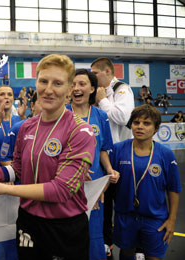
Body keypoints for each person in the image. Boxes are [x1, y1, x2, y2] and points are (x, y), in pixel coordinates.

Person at [0, 54, 96, 260]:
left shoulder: (81, 131)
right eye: (43, 81)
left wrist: (4, 190)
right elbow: (17, 171)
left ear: (68, 91)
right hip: (28, 221)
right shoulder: (27, 127)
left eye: (57, 83)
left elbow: (61, 190)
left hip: (64, 227)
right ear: (36, 84)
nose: (48, 89)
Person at [109, 104, 181, 260]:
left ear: (156, 128)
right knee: (126, 253)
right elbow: (107, 182)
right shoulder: (118, 150)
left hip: (155, 218)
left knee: (154, 257)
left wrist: (172, 220)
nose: (140, 127)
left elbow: (173, 189)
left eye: (146, 123)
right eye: (136, 122)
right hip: (125, 216)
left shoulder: (165, 154)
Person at [67, 69, 119, 260]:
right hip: (67, 184)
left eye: (82, 84)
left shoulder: (100, 116)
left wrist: (108, 170)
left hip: (94, 186)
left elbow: (104, 148)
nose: (76, 88)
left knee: (93, 233)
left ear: (92, 89)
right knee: (68, 233)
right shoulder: (62, 115)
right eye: (73, 84)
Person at [91, 57, 134, 257]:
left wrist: (103, 101)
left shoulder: (121, 89)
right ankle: (106, 245)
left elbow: (123, 118)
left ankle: (131, 246)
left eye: (96, 73)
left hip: (122, 154)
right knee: (105, 202)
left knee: (123, 202)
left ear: (107, 72)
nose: (93, 77)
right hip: (103, 155)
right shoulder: (98, 93)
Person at [0, 85, 23, 152]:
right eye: (2, 94)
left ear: (13, 99)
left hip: (14, 161)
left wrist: (22, 117)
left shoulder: (19, 120)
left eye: (9, 94)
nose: (6, 97)